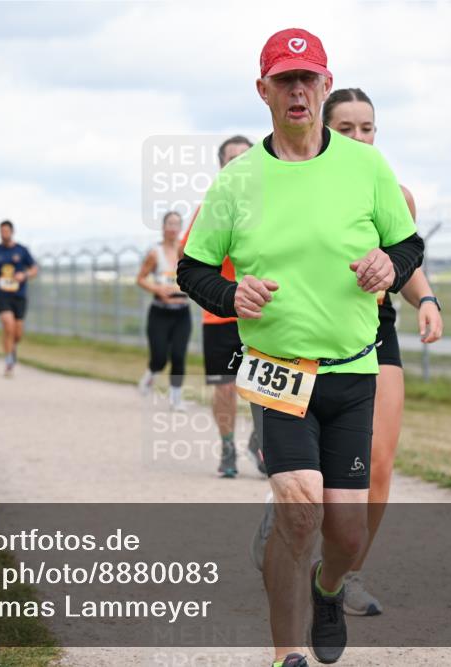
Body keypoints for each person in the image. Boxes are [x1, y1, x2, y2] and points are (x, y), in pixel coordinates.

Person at [178, 28, 423, 666]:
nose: (297, 91)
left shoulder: (366, 166)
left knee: (344, 533)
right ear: (263, 91)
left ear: (324, 84)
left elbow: (409, 246)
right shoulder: (237, 180)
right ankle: (287, 652)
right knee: (298, 512)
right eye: (283, 80)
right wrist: (231, 297)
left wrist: (389, 266)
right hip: (278, 372)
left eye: (307, 78)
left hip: (352, 371)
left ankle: (329, 588)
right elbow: (193, 269)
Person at [318, 87, 444, 615]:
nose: (358, 137)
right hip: (308, 336)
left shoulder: (395, 193)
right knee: (312, 468)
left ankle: (346, 575)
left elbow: (407, 263)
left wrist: (427, 299)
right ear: (324, 131)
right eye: (345, 128)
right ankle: (288, 521)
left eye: (366, 128)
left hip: (374, 332)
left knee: (376, 463)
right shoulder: (297, 188)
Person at [180, 135, 265, 477]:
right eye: (232, 160)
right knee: (225, 386)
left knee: (266, 389)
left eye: (246, 158)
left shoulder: (273, 204)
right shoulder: (211, 208)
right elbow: (189, 261)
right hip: (220, 314)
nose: (239, 165)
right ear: (221, 167)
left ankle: (261, 443)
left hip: (264, 314)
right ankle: (228, 446)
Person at [138, 211, 192, 411]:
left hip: (182, 312)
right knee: (160, 357)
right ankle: (151, 374)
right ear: (163, 227)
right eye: (169, 223)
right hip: (160, 312)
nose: (173, 228)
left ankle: (175, 399)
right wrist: (158, 289)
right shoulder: (155, 253)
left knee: (178, 355)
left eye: (177, 224)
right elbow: (141, 278)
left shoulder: (187, 252)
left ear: (181, 228)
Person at [0, 220, 37, 377]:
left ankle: (12, 348)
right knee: (8, 325)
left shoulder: (22, 250)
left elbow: (34, 268)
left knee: (17, 332)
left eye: (6, 231)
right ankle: (8, 361)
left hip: (19, 295)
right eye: (1, 231)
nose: (4, 234)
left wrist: (25, 275)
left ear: (12, 232)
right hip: (2, 294)